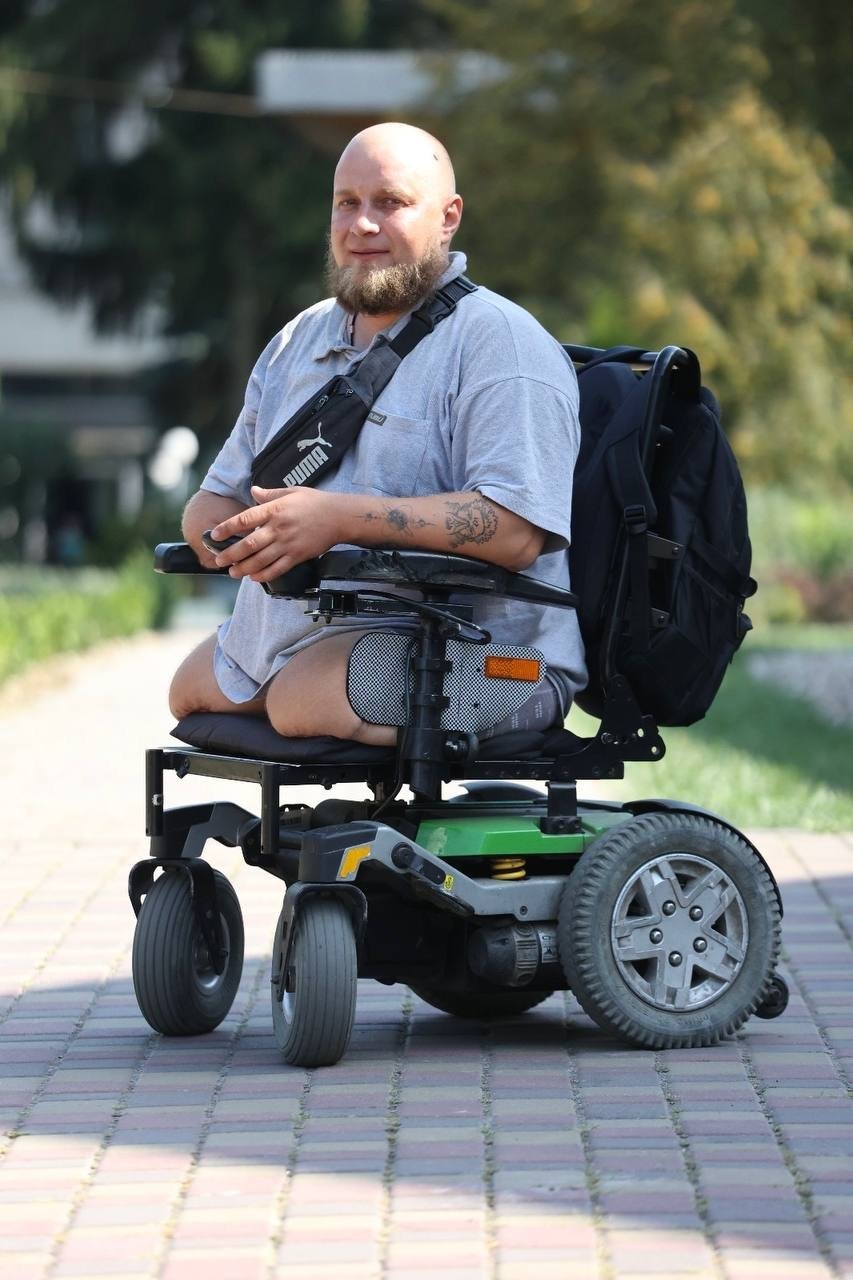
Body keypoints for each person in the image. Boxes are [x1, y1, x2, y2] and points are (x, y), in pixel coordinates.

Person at [169, 121, 586, 745]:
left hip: (498, 664)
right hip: (295, 643)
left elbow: (516, 530)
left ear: (448, 218)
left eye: (390, 202)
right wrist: (238, 543)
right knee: (191, 690)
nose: (362, 224)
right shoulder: (296, 341)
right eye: (347, 203)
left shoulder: (502, 343)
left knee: (301, 697)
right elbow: (214, 500)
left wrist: (335, 520)